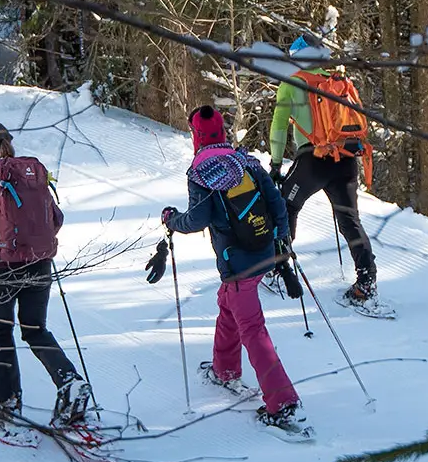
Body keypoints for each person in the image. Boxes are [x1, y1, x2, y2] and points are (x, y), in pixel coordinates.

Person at [161, 105, 306, 434]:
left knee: (253, 330)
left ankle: (284, 406)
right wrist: (282, 238)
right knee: (228, 304)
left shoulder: (200, 171)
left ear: (196, 136)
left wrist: (171, 219)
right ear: (222, 132)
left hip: (237, 261)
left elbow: (197, 219)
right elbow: (276, 202)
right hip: (264, 251)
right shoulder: (246, 160)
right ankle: (224, 369)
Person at [0, 121, 92, 430]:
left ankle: (8, 403)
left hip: (1, 267)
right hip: (39, 262)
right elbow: (57, 218)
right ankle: (70, 382)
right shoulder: (31, 174)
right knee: (36, 330)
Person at [268, 36, 378, 304]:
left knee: (284, 207)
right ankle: (367, 282)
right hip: (346, 158)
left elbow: (279, 126)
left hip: (314, 159)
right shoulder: (339, 80)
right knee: (350, 220)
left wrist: (275, 164)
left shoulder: (292, 82)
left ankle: (279, 269)